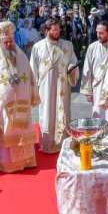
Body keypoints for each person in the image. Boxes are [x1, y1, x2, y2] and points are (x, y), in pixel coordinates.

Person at [0, 20, 39, 172]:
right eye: (5, 41)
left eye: (11, 41)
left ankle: (26, 160)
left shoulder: (22, 57)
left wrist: (33, 95)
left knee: (23, 129)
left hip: (22, 102)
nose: (8, 44)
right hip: (3, 105)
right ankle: (7, 163)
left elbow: (31, 78)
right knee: (6, 130)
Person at [30, 20, 79, 153]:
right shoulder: (38, 47)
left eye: (58, 30)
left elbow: (73, 61)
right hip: (45, 88)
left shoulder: (67, 45)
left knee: (63, 111)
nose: (57, 32)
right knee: (46, 113)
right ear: (47, 31)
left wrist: (72, 68)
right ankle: (47, 143)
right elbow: (33, 70)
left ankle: (64, 142)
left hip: (62, 86)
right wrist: (33, 91)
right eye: (54, 30)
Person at [80, 22, 108, 121]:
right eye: (97, 32)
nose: (98, 35)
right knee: (98, 116)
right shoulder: (92, 47)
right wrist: (88, 91)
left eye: (101, 33)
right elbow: (87, 68)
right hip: (97, 88)